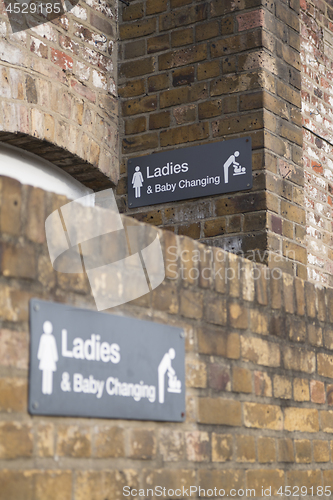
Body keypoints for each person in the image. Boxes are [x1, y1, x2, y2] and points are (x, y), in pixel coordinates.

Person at [37, 321, 58, 395]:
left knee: (49, 374)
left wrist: (55, 357)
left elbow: (54, 348)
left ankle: (48, 390)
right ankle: (44, 389)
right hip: (45, 358)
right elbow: (41, 347)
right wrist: (39, 356)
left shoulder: (52, 338)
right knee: (45, 374)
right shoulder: (43, 337)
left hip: (50, 359)